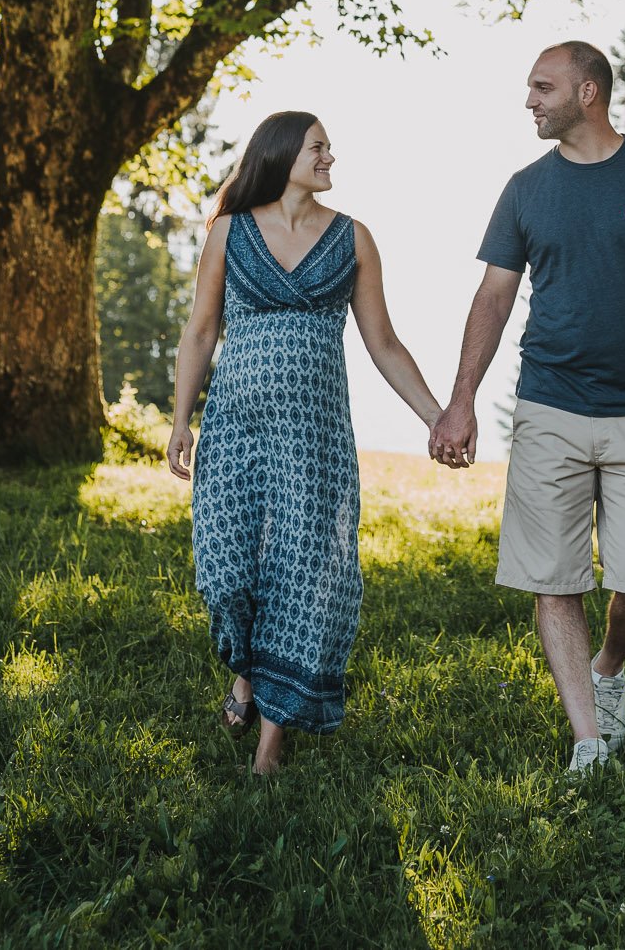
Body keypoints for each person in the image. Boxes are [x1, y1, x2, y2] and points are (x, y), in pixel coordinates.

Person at [429, 41, 625, 775]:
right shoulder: (526, 189)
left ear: (587, 92)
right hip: (548, 407)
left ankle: (608, 668)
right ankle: (588, 741)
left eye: (543, 87)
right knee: (555, 580)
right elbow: (494, 296)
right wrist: (461, 399)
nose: (529, 100)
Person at [167, 109, 444, 776]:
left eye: (329, 148)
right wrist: (180, 421)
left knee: (302, 575)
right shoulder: (230, 231)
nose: (329, 158)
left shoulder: (353, 239)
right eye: (318, 147)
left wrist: (437, 416)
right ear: (283, 153)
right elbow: (201, 331)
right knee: (229, 571)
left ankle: (271, 742)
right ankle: (246, 673)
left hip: (314, 439)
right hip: (234, 430)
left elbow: (384, 343)